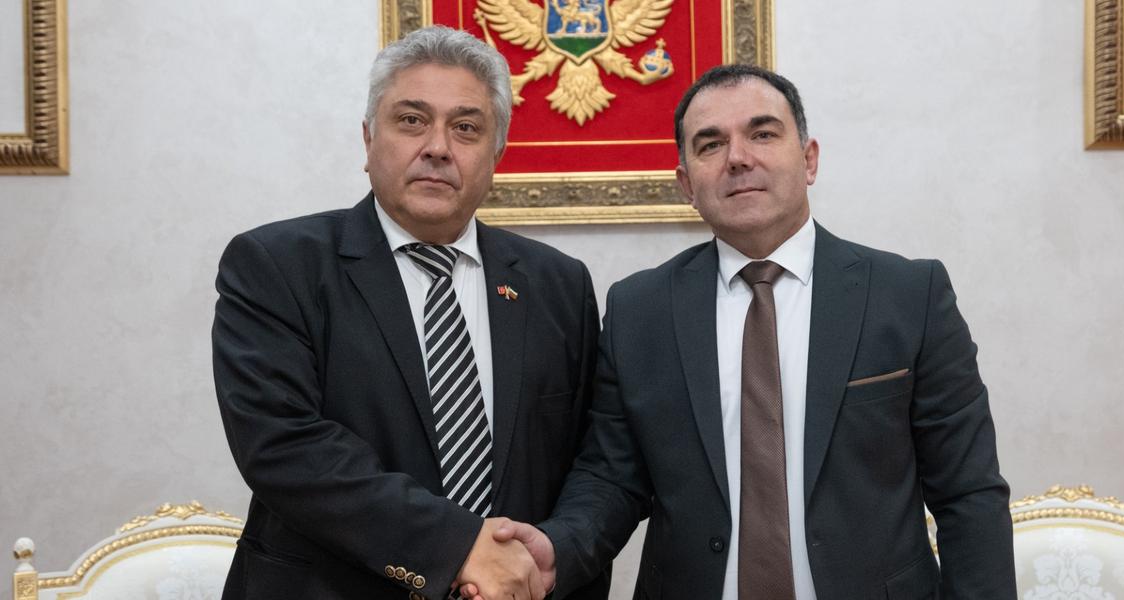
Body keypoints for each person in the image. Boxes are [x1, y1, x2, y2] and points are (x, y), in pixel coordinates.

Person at [472, 65, 1016, 599]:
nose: (738, 158)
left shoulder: (909, 295)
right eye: (710, 144)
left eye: (763, 134)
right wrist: (559, 548)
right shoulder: (640, 309)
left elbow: (968, 493)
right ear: (687, 184)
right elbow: (613, 476)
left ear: (809, 159)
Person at [212, 26, 607, 600]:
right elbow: (284, 446)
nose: (438, 147)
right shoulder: (276, 265)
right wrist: (458, 547)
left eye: (466, 128)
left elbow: (598, 455)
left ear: (496, 154)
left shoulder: (558, 284)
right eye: (411, 120)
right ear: (369, 138)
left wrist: (557, 552)